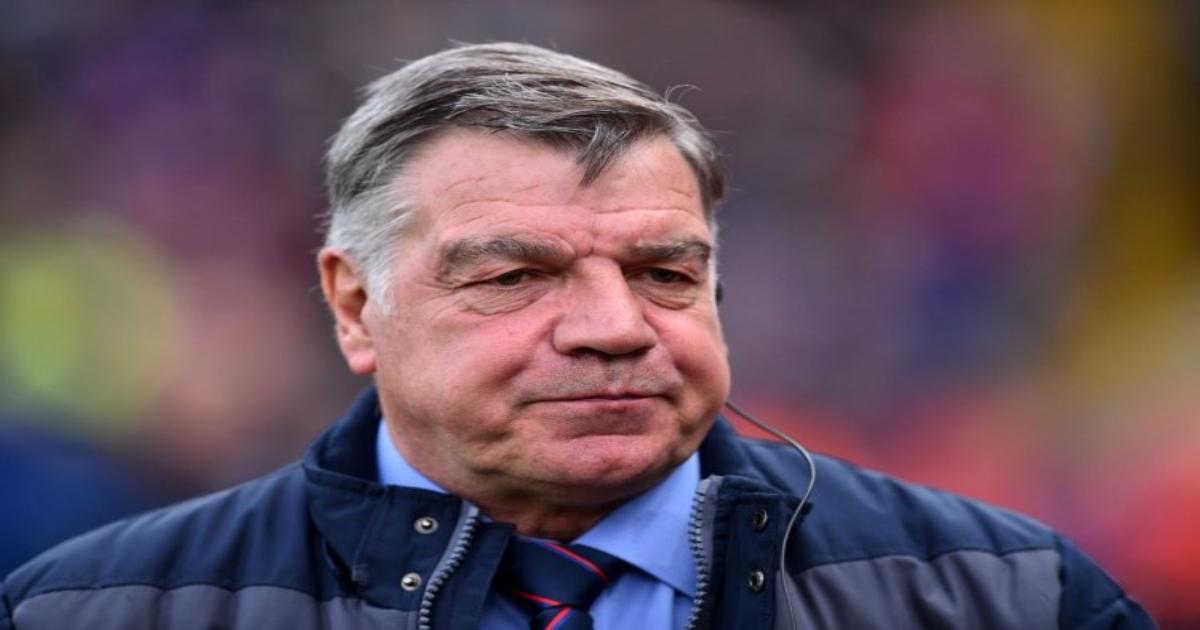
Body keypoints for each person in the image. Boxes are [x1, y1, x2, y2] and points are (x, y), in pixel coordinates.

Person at [0, 42, 1153, 630]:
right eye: (514, 276)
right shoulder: (95, 612)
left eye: (664, 273)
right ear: (354, 307)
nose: (614, 328)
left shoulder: (1009, 597)